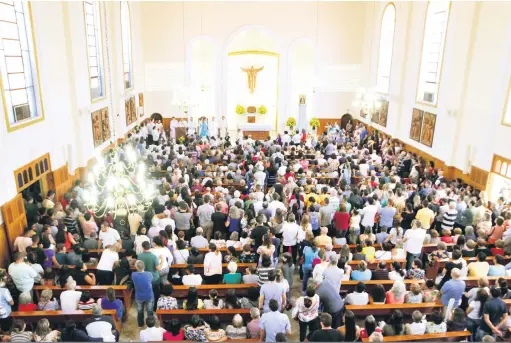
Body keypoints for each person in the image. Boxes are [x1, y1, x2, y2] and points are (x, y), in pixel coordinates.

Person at [132, 260, 155, 327]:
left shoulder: (133, 275)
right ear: (144, 267)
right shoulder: (149, 274)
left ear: (136, 267)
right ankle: (150, 324)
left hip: (139, 296)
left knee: (140, 311)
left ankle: (140, 324)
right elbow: (152, 280)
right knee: (150, 310)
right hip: (149, 295)